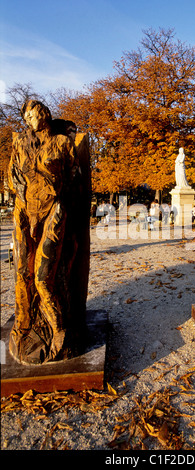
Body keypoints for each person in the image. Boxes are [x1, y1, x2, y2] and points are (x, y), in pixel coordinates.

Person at [8, 100, 81, 364]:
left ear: (45, 114)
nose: (31, 118)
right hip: (25, 213)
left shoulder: (62, 143)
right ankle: (24, 327)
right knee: (21, 274)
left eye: (35, 113)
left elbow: (73, 178)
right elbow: (12, 178)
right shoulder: (19, 144)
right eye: (26, 115)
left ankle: (59, 330)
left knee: (42, 278)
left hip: (53, 213)